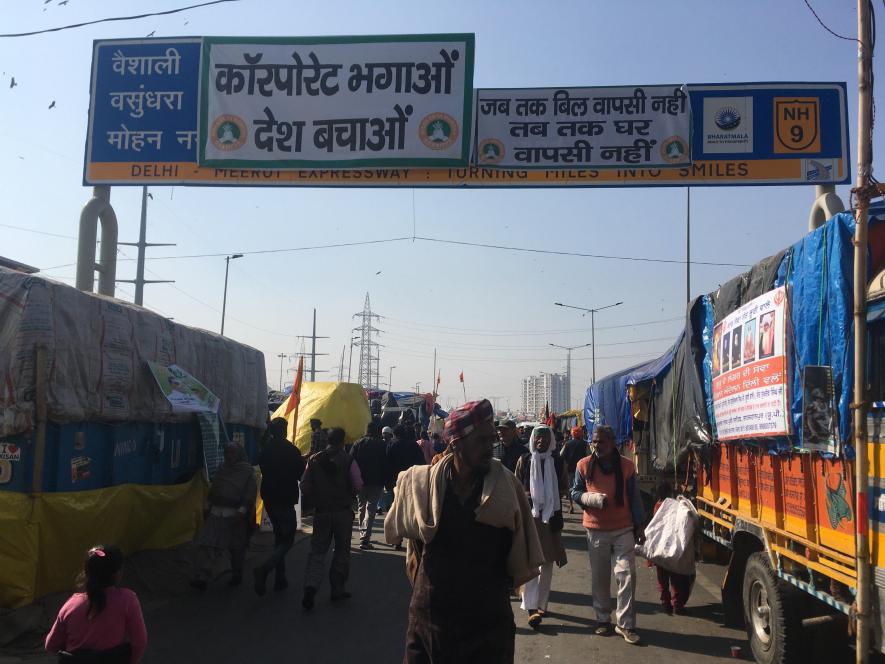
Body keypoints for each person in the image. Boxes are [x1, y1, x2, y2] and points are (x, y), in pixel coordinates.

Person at [385, 399, 544, 663]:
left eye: (491, 439)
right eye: (481, 440)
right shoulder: (423, 486)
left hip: (489, 626)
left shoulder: (506, 488)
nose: (489, 447)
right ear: (456, 443)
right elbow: (416, 549)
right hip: (430, 620)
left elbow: (517, 554)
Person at [570, 424, 645, 645]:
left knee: (627, 575)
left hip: (623, 528)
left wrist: (640, 526)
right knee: (600, 577)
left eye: (601, 441)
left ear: (612, 443)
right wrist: (589, 499)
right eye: (594, 441)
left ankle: (626, 624)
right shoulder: (583, 465)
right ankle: (603, 619)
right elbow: (575, 491)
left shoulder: (627, 466)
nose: (596, 445)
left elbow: (634, 497)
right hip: (595, 530)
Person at [45, 545, 147, 664]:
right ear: (117, 573)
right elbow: (139, 642)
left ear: (87, 572)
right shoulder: (127, 600)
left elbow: (50, 645)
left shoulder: (70, 605)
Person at [300, 427, 362, 610]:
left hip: (322, 512)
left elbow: (304, 486)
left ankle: (311, 586)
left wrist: (318, 493)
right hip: (343, 512)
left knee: (317, 551)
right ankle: (337, 589)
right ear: (343, 442)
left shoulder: (314, 459)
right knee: (341, 552)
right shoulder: (348, 460)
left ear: (327, 440)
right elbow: (358, 485)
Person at [514, 426, 568, 628]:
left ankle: (541, 605)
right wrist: (529, 496)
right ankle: (531, 607)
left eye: (545, 437)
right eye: (538, 437)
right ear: (532, 440)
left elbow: (565, 486)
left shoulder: (558, 462)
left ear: (551, 440)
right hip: (530, 517)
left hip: (551, 517)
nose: (541, 441)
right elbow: (516, 486)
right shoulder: (524, 460)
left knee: (547, 563)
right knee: (531, 562)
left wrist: (551, 495)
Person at [190, 444, 257, 590]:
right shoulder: (222, 469)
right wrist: (207, 506)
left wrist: (242, 511)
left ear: (239, 455)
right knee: (208, 544)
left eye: (232, 453)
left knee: (236, 548)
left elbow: (250, 493)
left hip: (235, 515)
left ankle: (236, 573)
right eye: (226, 452)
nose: (228, 456)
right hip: (216, 512)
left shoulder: (247, 472)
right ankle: (202, 577)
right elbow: (215, 489)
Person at [253, 417, 306, 596]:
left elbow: (263, 468)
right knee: (287, 540)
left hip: (270, 496)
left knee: (279, 537)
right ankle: (265, 569)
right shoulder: (292, 450)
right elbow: (300, 474)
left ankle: (280, 578)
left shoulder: (265, 449)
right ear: (285, 430)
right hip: (285, 497)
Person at [650, 481, 694, 615]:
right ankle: (677, 605)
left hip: (659, 549)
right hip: (671, 548)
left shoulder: (657, 506)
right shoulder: (674, 506)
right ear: (670, 492)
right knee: (676, 579)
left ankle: (665, 604)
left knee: (662, 580)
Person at [350, 421, 389, 550]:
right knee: (371, 509)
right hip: (377, 481)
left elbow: (350, 461)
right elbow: (386, 463)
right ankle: (365, 538)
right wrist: (387, 482)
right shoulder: (382, 444)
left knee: (361, 507)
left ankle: (363, 534)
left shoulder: (358, 443)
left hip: (360, 481)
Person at [559, 426, 589, 513]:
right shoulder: (585, 444)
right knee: (583, 487)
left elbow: (561, 455)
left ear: (572, 434)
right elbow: (589, 455)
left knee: (571, 487)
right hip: (582, 469)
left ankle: (571, 506)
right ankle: (583, 504)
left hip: (570, 469)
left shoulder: (567, 444)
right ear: (581, 434)